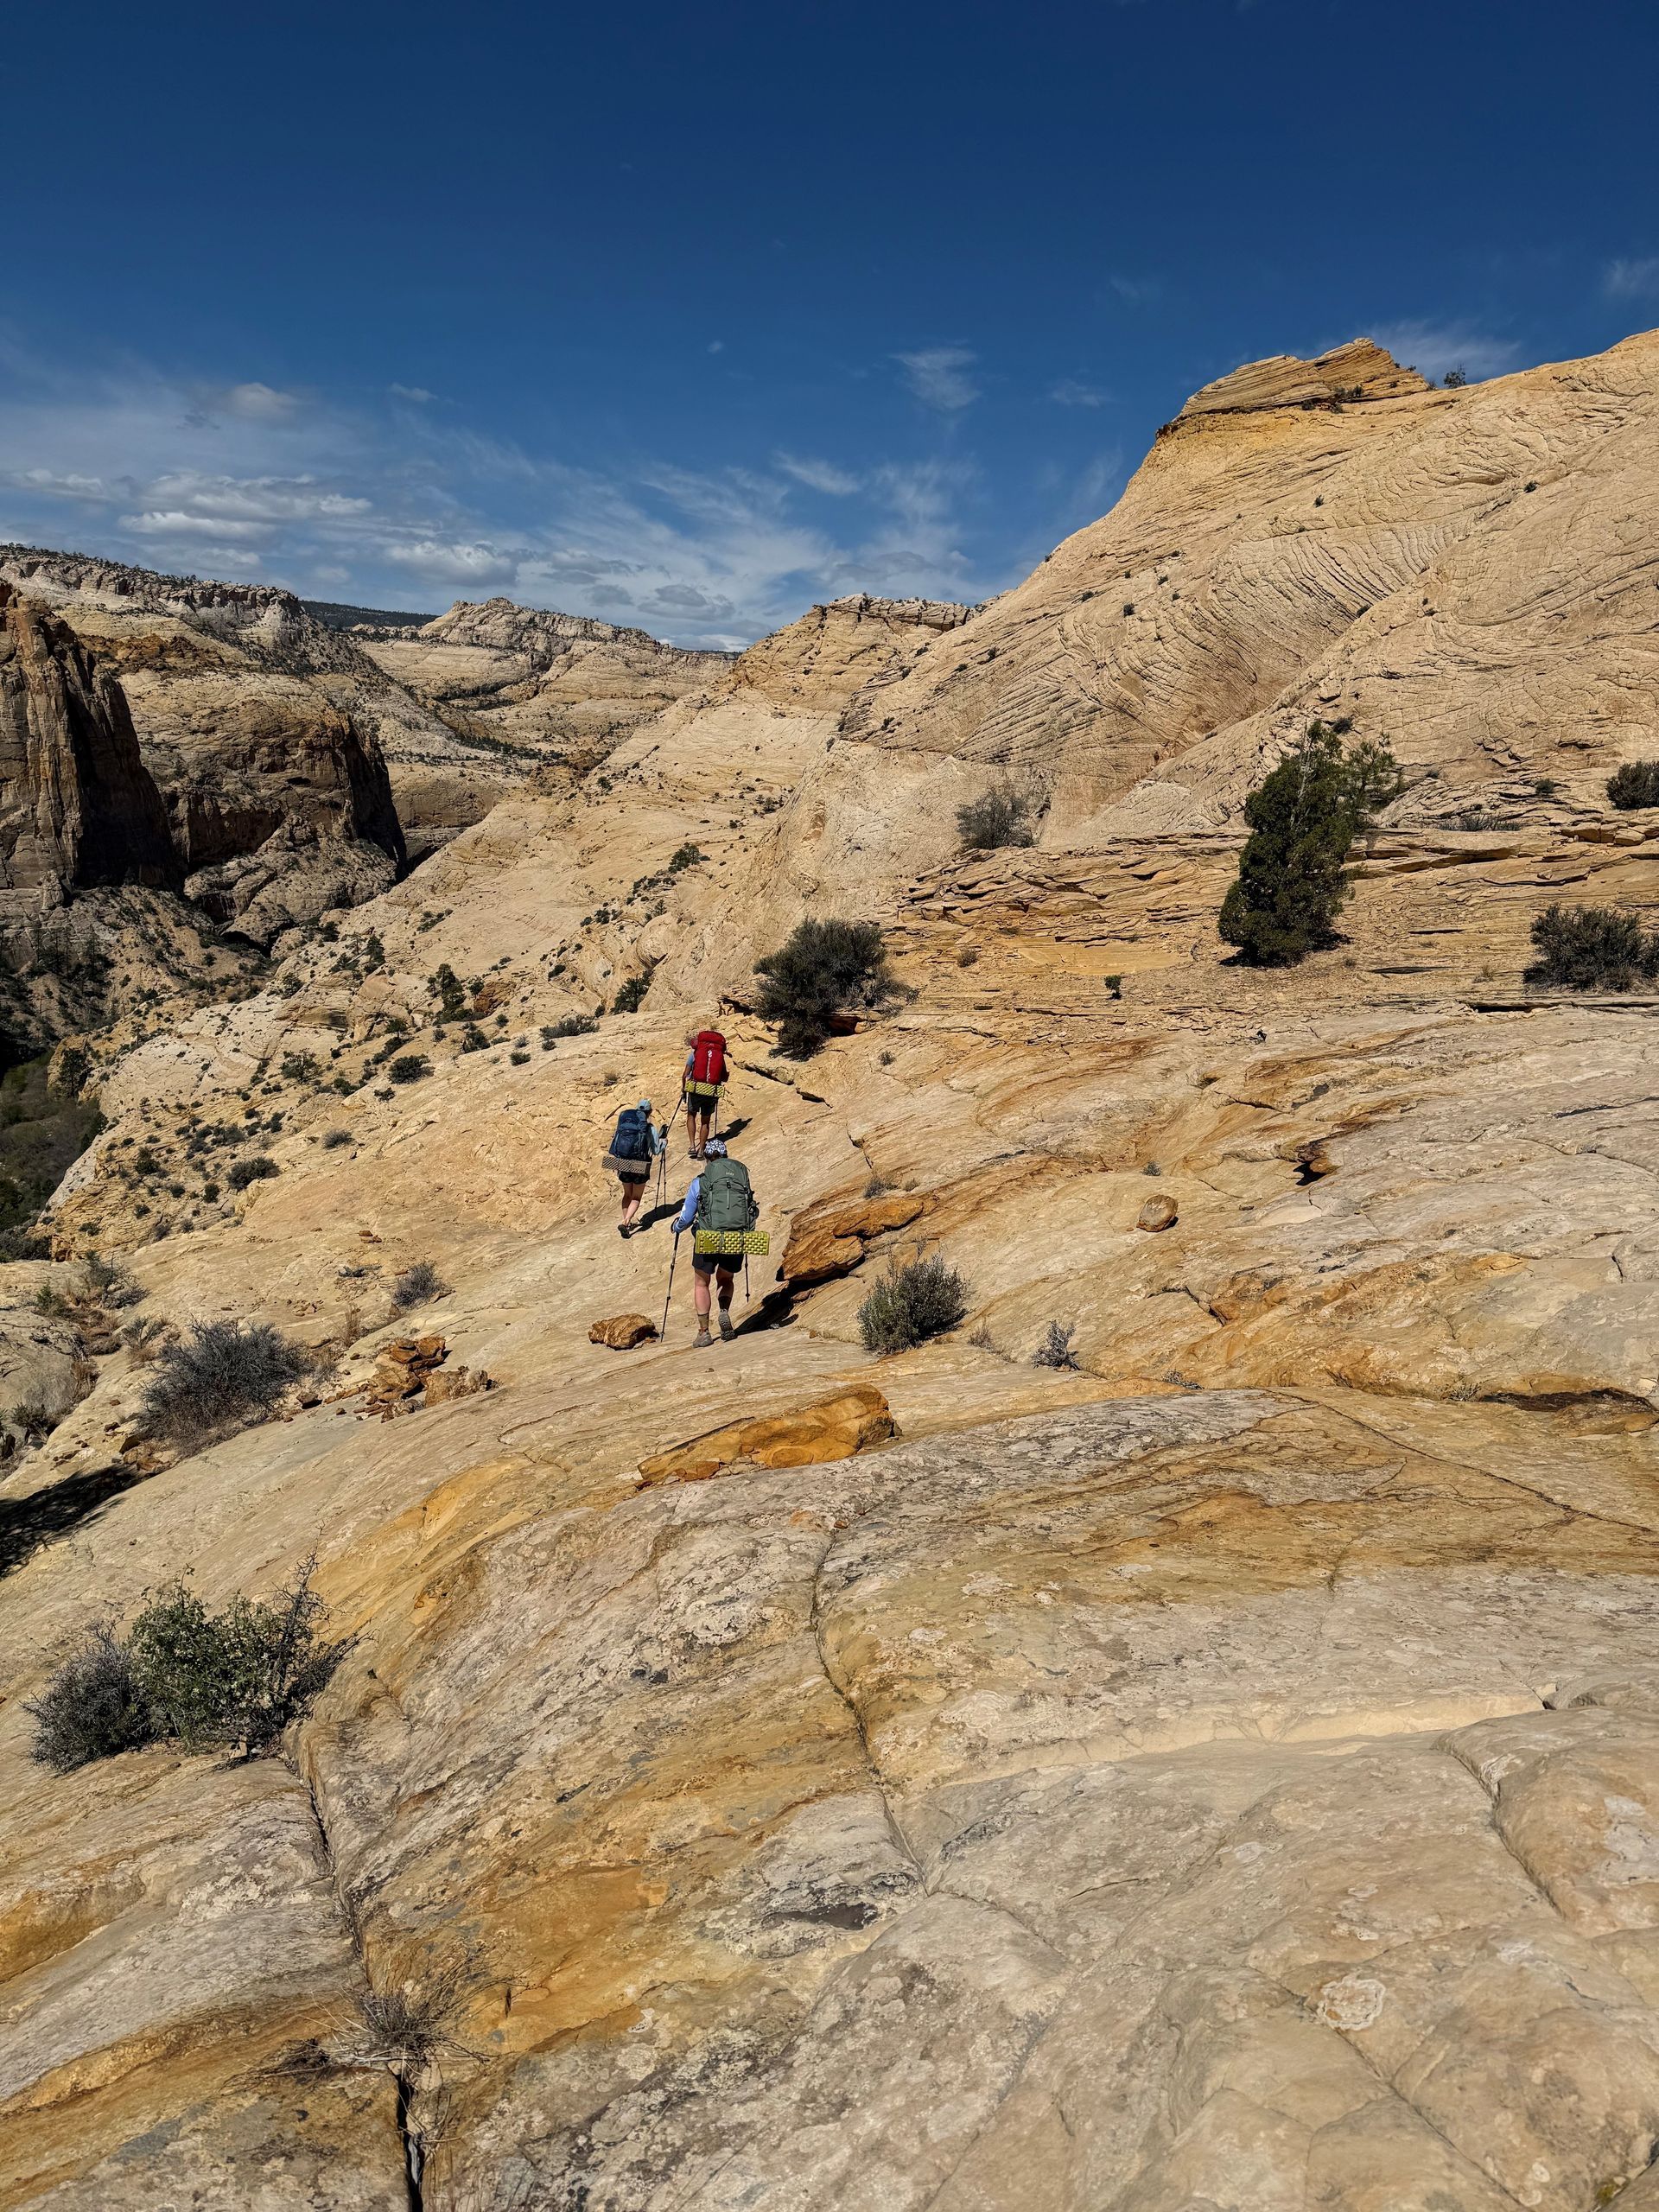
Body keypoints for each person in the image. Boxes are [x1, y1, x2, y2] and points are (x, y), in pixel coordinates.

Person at [670, 1137, 756, 1346]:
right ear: (726, 1156)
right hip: (735, 1237)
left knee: (702, 1283)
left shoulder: (700, 1181)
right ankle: (724, 1312)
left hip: (708, 1237)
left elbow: (687, 1216)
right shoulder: (740, 1179)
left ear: (706, 1158)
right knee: (726, 1279)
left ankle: (704, 1332)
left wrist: (676, 1227)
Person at [603, 1097, 664, 1236]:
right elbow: (655, 1150)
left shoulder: (625, 1123)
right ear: (650, 1112)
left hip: (623, 1163)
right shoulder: (649, 1128)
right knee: (636, 1197)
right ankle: (626, 1222)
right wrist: (664, 1142)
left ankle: (627, 1222)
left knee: (627, 1194)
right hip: (639, 1166)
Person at [682, 1024, 728, 1161]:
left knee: (691, 1115)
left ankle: (692, 1146)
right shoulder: (719, 1055)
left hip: (696, 1089)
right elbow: (724, 1076)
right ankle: (702, 1150)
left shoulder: (695, 1054)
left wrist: (684, 1089)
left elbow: (685, 1074)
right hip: (711, 1091)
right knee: (705, 1121)